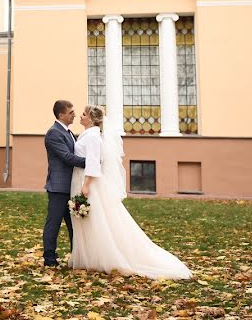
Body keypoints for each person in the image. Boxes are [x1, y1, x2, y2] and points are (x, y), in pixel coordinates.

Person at [68, 105, 192, 279]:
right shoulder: (89, 134)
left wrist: (86, 185)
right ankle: (88, 257)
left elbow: (93, 162)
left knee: (96, 219)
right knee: (88, 220)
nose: (80, 116)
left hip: (87, 182)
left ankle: (103, 257)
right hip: (79, 179)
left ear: (91, 118)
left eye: (83, 114)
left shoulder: (94, 136)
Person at [42, 100, 86, 267]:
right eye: (71, 112)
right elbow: (67, 157)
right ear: (61, 115)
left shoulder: (68, 132)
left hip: (71, 186)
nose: (74, 114)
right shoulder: (54, 133)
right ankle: (49, 259)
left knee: (74, 225)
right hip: (59, 187)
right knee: (53, 223)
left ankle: (77, 257)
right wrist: (91, 162)